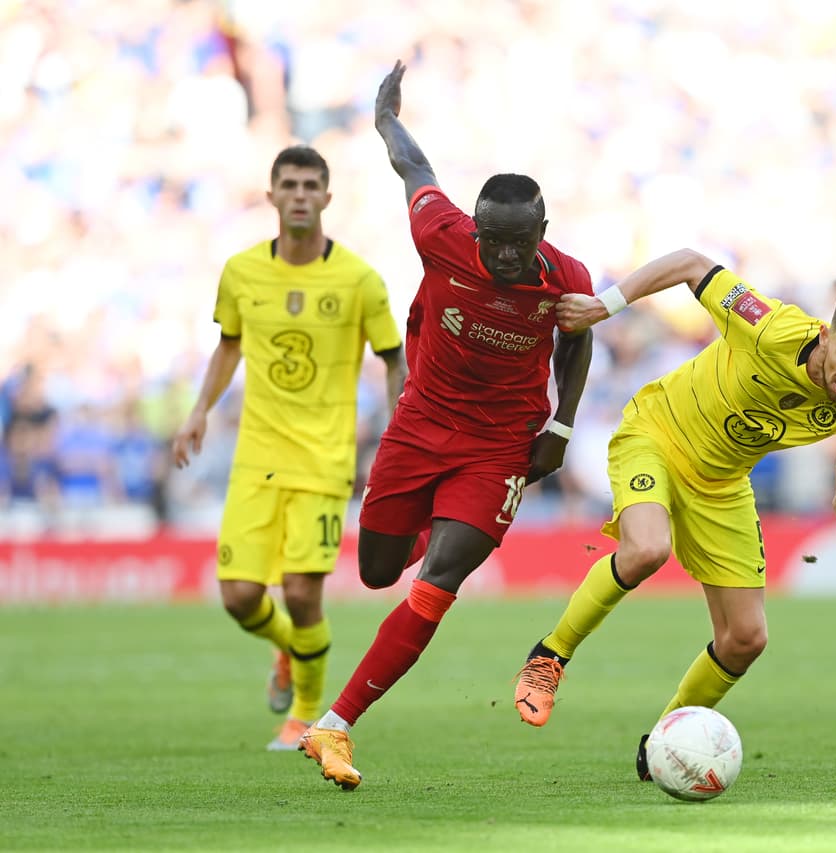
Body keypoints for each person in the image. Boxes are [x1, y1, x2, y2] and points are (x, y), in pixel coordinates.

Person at [298, 61, 594, 790]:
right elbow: (412, 165)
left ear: (541, 233)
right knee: (375, 571)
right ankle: (438, 522)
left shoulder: (565, 277)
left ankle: (334, 725)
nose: (499, 254)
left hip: (499, 446)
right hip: (420, 423)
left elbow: (577, 339)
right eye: (490, 238)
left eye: (515, 243)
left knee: (437, 581)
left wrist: (560, 427)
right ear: (475, 224)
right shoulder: (441, 232)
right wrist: (383, 118)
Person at [512, 248, 836, 780]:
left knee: (746, 639)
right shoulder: (767, 327)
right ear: (828, 337)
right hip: (657, 436)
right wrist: (605, 307)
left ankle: (664, 743)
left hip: (722, 484)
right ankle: (550, 656)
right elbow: (693, 263)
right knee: (647, 549)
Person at [172, 145, 407, 750]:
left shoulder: (358, 279)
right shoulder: (242, 272)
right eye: (290, 185)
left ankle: (304, 713)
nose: (300, 195)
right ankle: (286, 648)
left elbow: (393, 359)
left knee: (303, 592)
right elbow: (229, 346)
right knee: (240, 597)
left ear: (327, 198)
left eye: (311, 186)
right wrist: (199, 410)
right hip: (257, 458)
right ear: (272, 195)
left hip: (325, 460)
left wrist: (396, 429)